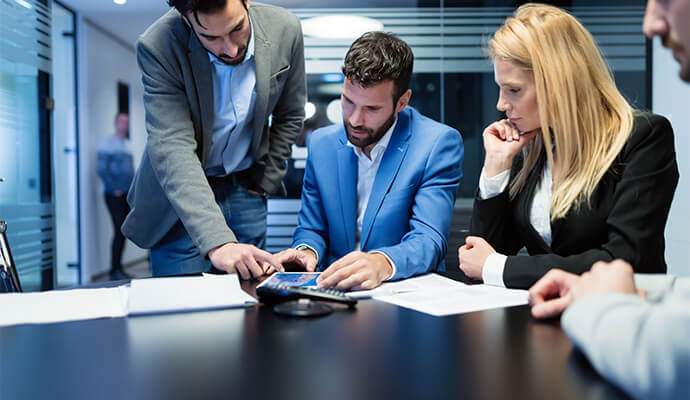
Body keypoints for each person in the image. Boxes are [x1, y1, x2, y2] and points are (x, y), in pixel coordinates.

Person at [528, 1, 690, 399]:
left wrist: (597, 302)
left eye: (667, 0)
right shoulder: (532, 150)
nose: (650, 23)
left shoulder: (643, 137)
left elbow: (665, 361)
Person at [458, 3, 679, 289]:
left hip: (617, 320)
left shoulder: (642, 137)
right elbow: (481, 255)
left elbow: (626, 258)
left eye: (513, 90)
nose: (501, 104)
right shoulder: (534, 146)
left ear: (558, 84)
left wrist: (500, 267)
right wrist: (496, 169)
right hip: (539, 317)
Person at [121, 0, 306, 278]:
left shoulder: (285, 29)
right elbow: (172, 144)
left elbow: (290, 115)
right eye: (211, 37)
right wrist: (218, 240)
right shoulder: (159, 44)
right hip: (181, 202)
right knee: (183, 311)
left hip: (246, 190)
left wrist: (264, 180)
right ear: (186, 21)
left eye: (237, 29)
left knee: (251, 304)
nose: (230, 49)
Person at [271, 32, 464, 290]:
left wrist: (381, 263)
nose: (355, 119)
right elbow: (312, 228)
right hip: (334, 292)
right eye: (348, 101)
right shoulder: (322, 144)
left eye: (372, 109)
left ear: (402, 102)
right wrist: (307, 252)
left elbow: (429, 239)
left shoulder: (437, 144)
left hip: (404, 291)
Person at [97, 113, 134, 280]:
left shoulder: (126, 144)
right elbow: (102, 170)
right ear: (115, 123)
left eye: (126, 122)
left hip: (126, 195)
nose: (124, 125)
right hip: (114, 195)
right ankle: (114, 270)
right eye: (121, 121)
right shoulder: (107, 144)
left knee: (124, 231)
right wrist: (115, 188)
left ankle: (119, 268)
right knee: (119, 230)